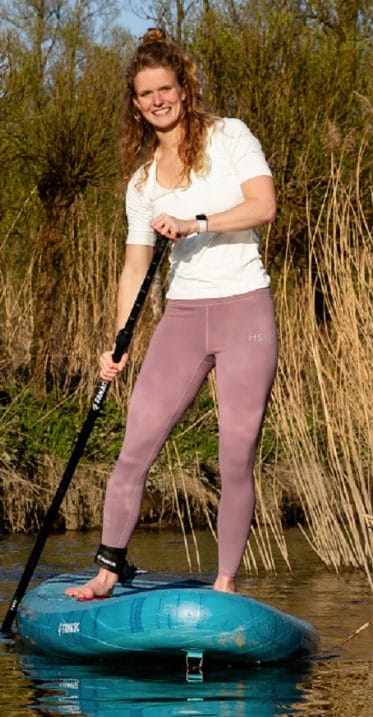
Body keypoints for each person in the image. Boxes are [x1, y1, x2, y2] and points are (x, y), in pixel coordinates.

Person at [66, 29, 277, 598]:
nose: (157, 100)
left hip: (244, 312)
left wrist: (196, 223)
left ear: (183, 89)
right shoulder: (141, 184)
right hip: (182, 318)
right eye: (145, 93)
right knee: (136, 443)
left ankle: (226, 583)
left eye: (165, 88)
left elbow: (264, 205)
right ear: (135, 103)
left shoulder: (230, 137)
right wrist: (117, 338)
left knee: (236, 452)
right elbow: (135, 269)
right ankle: (108, 570)